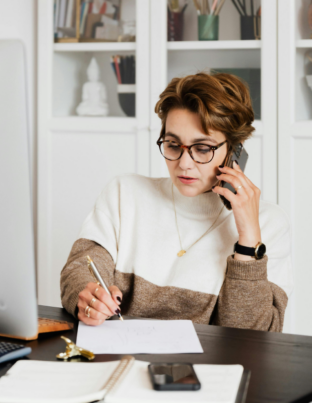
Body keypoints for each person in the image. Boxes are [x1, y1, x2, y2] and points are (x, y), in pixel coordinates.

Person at [60, 72, 293, 332]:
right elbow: (80, 271)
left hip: (208, 370)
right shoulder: (124, 193)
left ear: (235, 150)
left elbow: (252, 336)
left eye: (202, 148)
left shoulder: (269, 224)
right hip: (119, 360)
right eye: (172, 145)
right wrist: (88, 295)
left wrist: (249, 241)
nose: (183, 164)